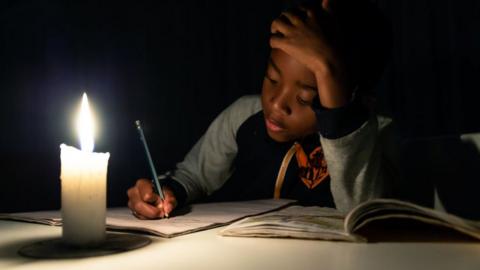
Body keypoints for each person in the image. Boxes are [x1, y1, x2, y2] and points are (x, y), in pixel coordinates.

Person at [127, 0, 397, 219]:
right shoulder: (244, 114)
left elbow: (363, 215)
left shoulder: (373, 135)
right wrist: (162, 191)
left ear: (356, 97)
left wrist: (334, 94)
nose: (277, 104)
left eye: (304, 99)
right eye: (272, 78)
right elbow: (193, 176)